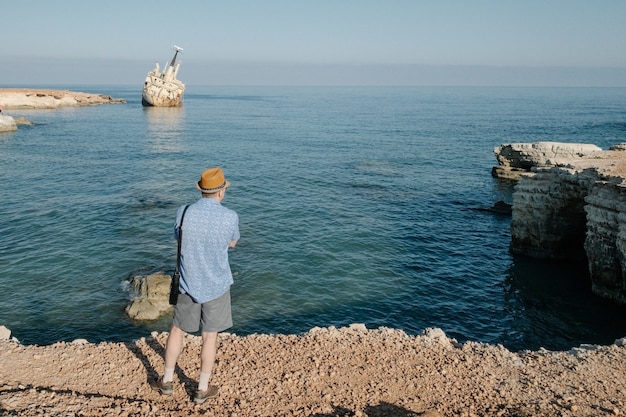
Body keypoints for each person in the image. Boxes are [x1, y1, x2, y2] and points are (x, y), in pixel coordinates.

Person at [151, 167, 240, 404]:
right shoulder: (230, 216)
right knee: (210, 336)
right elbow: (232, 243)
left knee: (177, 330)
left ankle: (167, 381)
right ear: (220, 192)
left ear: (202, 191)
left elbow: (176, 237)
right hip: (217, 284)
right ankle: (201, 388)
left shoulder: (184, 212)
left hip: (187, 283)